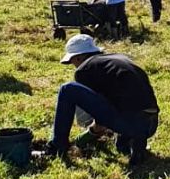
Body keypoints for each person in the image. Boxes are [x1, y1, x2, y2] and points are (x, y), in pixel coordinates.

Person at [48, 34, 160, 166]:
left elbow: (101, 120)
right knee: (121, 146)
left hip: (131, 121)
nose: (74, 66)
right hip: (150, 124)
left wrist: (87, 136)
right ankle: (135, 144)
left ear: (78, 57)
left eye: (72, 62)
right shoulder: (117, 59)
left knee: (67, 89)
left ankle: (57, 146)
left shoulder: (85, 69)